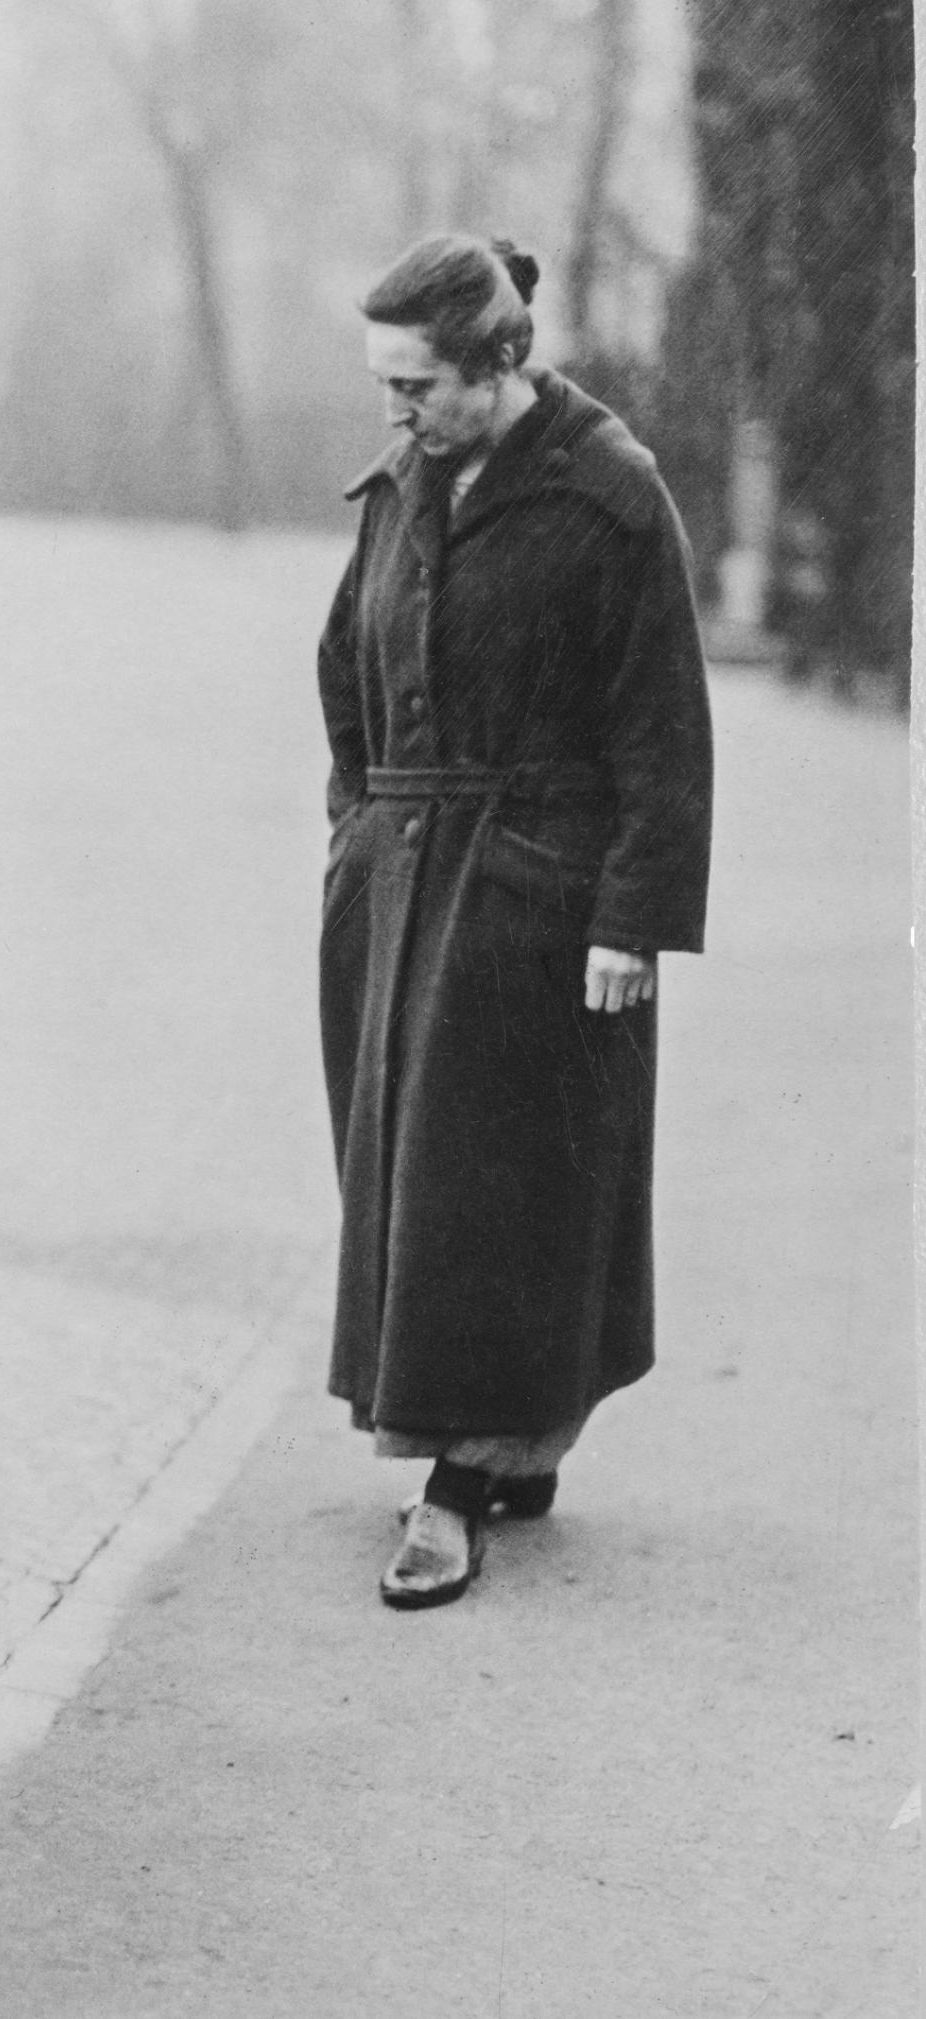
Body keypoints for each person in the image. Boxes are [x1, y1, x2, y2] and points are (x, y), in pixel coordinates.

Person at [316, 234, 712, 1608]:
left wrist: (628, 918)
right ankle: (501, 1435)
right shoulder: (399, 483)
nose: (396, 411)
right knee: (411, 1182)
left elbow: (660, 729)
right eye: (383, 385)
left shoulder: (608, 494)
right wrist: (352, 829)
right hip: (399, 880)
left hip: (534, 892)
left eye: (416, 384)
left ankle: (452, 1487)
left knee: (496, 1187)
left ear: (498, 362)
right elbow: (340, 665)